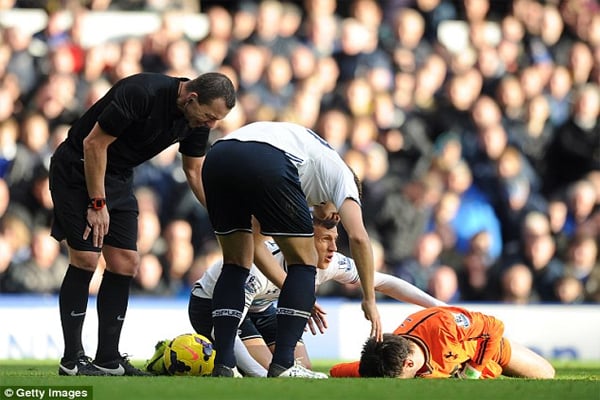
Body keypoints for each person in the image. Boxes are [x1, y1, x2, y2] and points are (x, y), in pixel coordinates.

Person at [49, 71, 236, 376]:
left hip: (119, 175)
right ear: (191, 98)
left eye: (217, 120)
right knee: (85, 258)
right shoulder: (142, 92)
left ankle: (107, 359)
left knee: (125, 263)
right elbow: (94, 144)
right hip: (78, 168)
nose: (211, 125)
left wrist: (219, 215)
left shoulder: (196, 120)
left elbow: (193, 170)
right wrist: (98, 204)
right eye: (209, 116)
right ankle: (72, 360)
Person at [201, 121, 383, 378]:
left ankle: (224, 364)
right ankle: (285, 364)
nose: (333, 219)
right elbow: (360, 238)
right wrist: (369, 299)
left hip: (218, 156)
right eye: (336, 214)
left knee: (236, 262)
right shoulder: (344, 178)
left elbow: (254, 241)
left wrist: (288, 286)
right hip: (265, 157)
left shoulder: (306, 168)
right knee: (305, 259)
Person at [186, 214, 446, 377]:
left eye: (335, 239)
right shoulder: (258, 268)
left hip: (261, 308)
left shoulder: (330, 261)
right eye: (325, 239)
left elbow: (383, 282)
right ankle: (185, 356)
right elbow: (228, 331)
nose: (333, 248)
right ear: (303, 242)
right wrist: (256, 374)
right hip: (211, 305)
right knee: (267, 370)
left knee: (302, 370)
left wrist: (439, 306)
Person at [329, 305, 555, 379]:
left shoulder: (444, 325)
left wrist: (474, 370)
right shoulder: (386, 361)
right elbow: (339, 370)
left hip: (487, 351)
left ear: (409, 364)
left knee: (547, 375)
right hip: (460, 368)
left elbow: (494, 326)